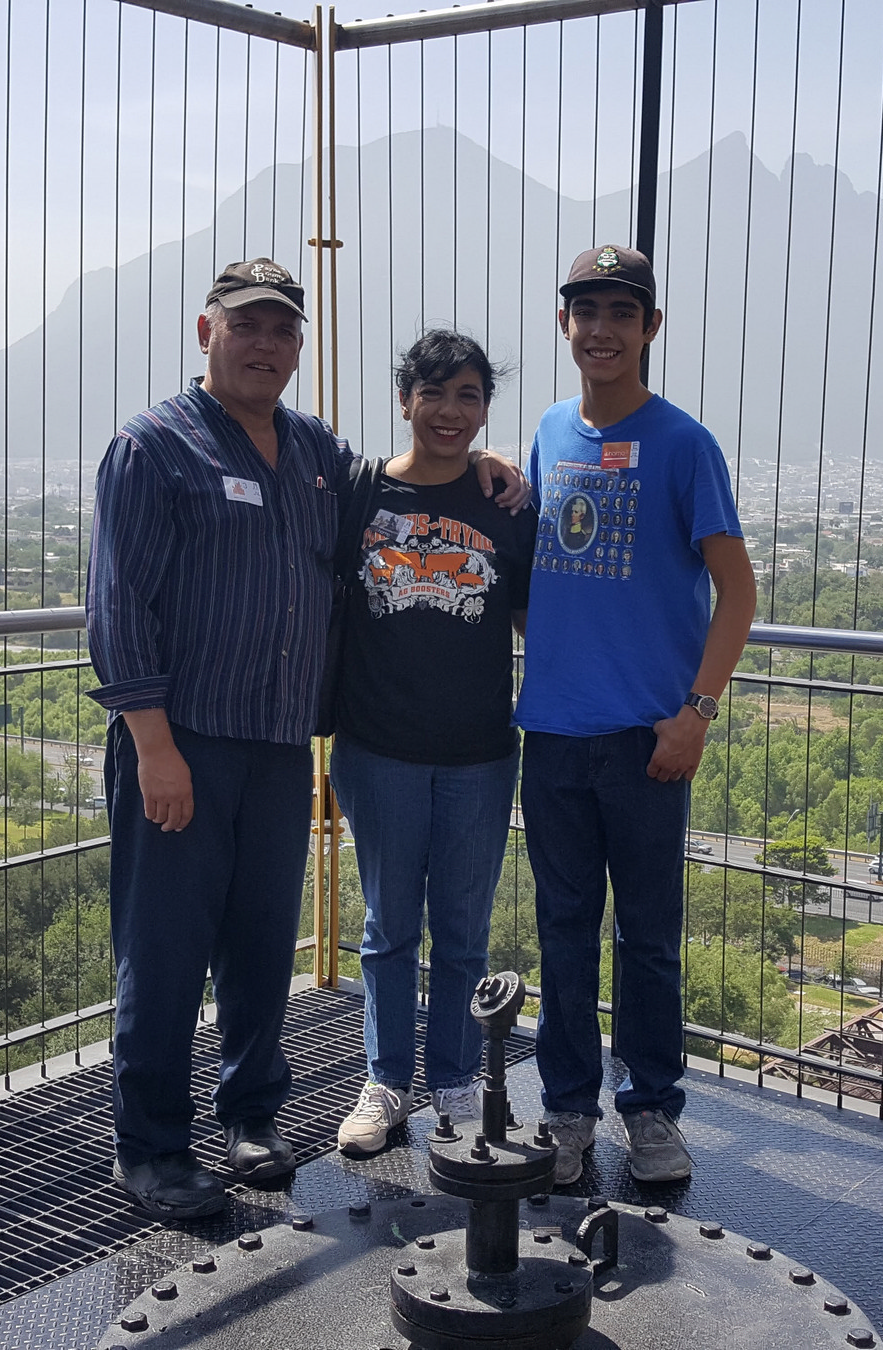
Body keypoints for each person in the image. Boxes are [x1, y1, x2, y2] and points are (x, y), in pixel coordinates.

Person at [87, 260, 526, 1220]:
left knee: (257, 946)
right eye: (246, 324)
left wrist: (486, 467)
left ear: (298, 347)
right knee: (161, 952)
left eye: (283, 329)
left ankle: (250, 1118)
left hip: (283, 745)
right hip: (184, 742)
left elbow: (412, 477)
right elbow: (117, 609)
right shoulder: (153, 447)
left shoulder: (316, 452)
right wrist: (152, 747)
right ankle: (152, 1148)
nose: (265, 344)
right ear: (206, 331)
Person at [515, 244, 756, 1186]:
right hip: (555, 735)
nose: (602, 329)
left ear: (650, 328)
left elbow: (736, 592)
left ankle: (651, 1109)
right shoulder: (545, 432)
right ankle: (569, 1109)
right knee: (562, 934)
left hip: (652, 739)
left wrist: (696, 713)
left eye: (623, 312)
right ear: (565, 325)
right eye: (587, 311)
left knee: (648, 939)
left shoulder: (686, 444)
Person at [329, 330, 538, 1157]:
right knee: (387, 927)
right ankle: (384, 1081)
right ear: (404, 397)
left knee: (461, 929)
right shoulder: (357, 495)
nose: (450, 412)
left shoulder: (505, 506)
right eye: (435, 394)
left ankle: (453, 1076)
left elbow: (531, 616)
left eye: (469, 397)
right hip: (376, 743)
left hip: (480, 751)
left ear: (485, 409)